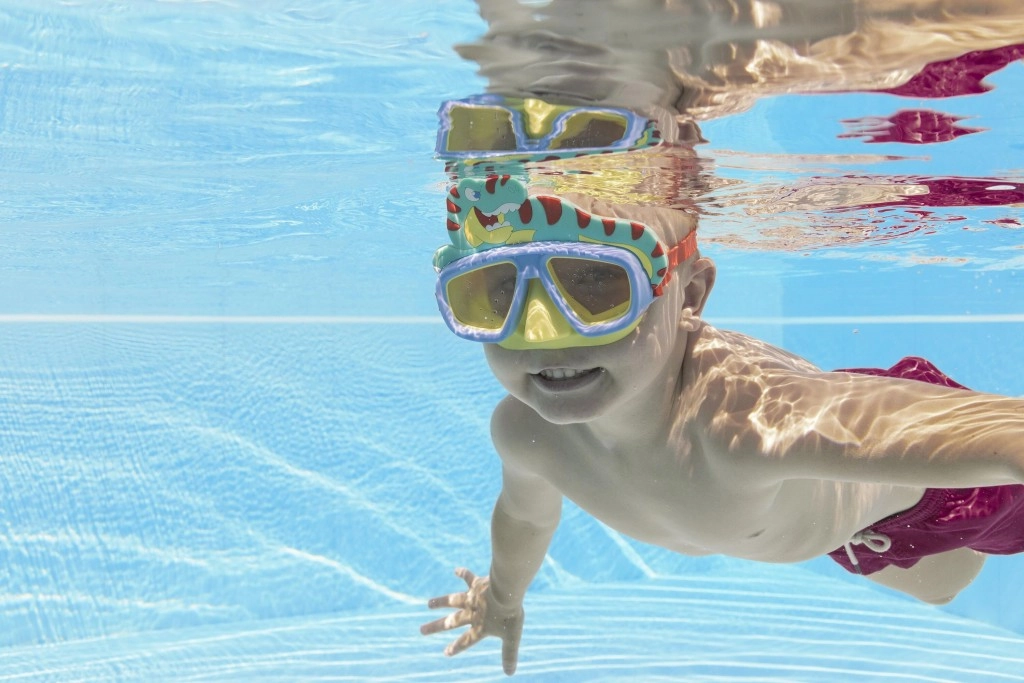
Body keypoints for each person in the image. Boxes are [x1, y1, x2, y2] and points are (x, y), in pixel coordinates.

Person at [420, 167, 1024, 675]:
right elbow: (526, 516)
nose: (544, 336)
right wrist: (503, 600)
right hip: (850, 532)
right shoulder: (526, 434)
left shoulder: (747, 428)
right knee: (944, 589)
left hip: (926, 477)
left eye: (598, 289)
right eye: (499, 295)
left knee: (956, 574)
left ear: (690, 297)